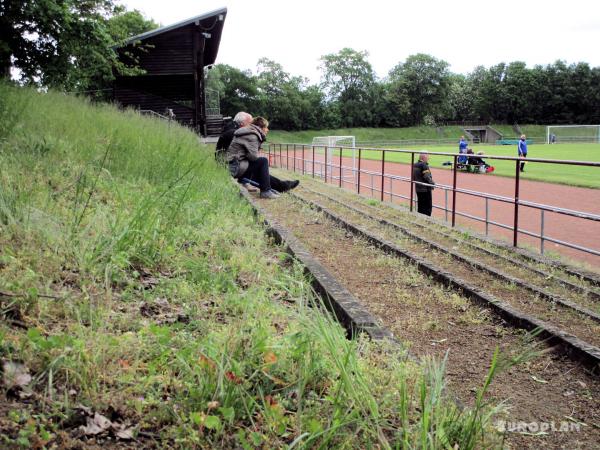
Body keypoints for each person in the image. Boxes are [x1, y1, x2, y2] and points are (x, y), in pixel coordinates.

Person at [226, 116, 299, 199]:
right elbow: (253, 157)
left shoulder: (247, 132)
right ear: (261, 127)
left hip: (234, 165)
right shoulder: (252, 136)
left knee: (261, 171)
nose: (267, 130)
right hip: (235, 167)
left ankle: (282, 186)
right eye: (266, 127)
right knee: (263, 161)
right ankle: (266, 191)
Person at [413, 152, 435, 216]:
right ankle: (427, 219)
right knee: (427, 206)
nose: (429, 158)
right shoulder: (424, 165)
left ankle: (420, 218)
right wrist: (432, 183)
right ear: (424, 157)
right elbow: (427, 176)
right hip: (425, 189)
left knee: (420, 205)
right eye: (428, 157)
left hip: (418, 188)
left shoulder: (415, 164)